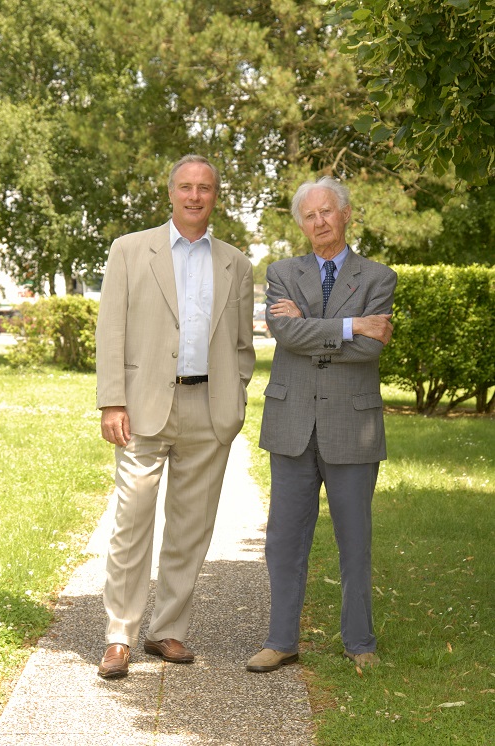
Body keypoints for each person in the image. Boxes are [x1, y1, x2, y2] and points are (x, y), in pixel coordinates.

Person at [95, 154, 255, 678]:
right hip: (141, 408)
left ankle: (168, 631)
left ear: (215, 195)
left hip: (208, 412)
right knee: (131, 521)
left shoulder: (236, 263)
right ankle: (119, 634)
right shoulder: (129, 250)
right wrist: (112, 400)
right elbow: (111, 330)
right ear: (170, 193)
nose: (194, 196)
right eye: (185, 187)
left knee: (191, 528)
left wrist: (236, 397)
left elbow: (241, 346)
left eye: (204, 187)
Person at [246, 176, 397, 673]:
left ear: (346, 213)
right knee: (284, 541)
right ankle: (281, 641)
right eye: (309, 216)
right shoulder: (282, 272)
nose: (319, 222)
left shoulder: (377, 277)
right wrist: (351, 325)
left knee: (355, 540)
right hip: (291, 423)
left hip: (352, 425)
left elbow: (372, 348)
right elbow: (285, 334)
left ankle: (360, 643)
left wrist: (310, 325)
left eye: (327, 212)